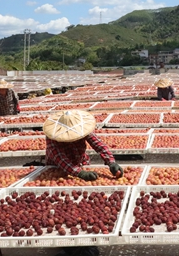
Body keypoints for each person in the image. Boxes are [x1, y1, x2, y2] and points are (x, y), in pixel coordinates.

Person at [44, 109, 123, 256]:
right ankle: (66, 237)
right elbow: (59, 158)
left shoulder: (81, 128)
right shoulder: (53, 137)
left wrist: (111, 161)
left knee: (82, 201)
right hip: (58, 168)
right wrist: (79, 173)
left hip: (80, 162)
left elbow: (98, 144)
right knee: (62, 202)